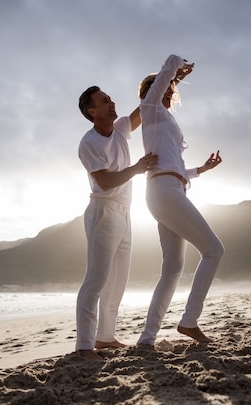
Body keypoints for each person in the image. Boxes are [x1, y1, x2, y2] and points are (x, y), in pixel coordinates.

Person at [137, 54, 224, 347]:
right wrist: (176, 68)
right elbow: (166, 70)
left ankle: (146, 339)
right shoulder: (149, 109)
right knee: (214, 250)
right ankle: (189, 321)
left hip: (169, 189)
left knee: (172, 270)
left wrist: (201, 169)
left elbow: (174, 166)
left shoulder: (164, 120)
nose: (170, 94)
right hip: (164, 191)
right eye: (166, 90)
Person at [76, 86, 158, 361]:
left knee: (118, 280)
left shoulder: (121, 129)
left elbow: (144, 109)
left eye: (110, 99)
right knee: (96, 280)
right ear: (92, 111)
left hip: (125, 212)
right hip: (103, 212)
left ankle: (105, 337)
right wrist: (137, 168)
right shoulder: (89, 143)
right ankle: (85, 346)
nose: (112, 103)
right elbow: (105, 182)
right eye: (104, 101)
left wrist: (169, 78)